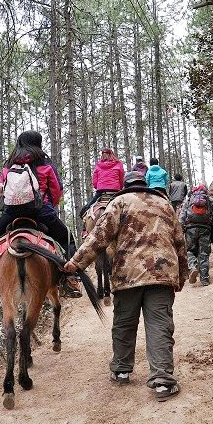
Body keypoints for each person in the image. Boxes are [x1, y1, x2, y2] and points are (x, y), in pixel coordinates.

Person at [64, 171, 188, 401]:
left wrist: (75, 263)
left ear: (126, 186)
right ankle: (162, 380)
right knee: (159, 325)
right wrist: (181, 275)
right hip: (161, 274)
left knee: (124, 322)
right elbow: (180, 241)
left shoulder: (119, 202)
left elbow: (97, 237)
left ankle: (121, 369)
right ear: (146, 185)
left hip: (127, 274)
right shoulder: (165, 204)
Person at [0, 130, 70, 289]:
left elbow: (1, 189)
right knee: (66, 239)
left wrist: (6, 207)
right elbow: (56, 190)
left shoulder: (9, 164)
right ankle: (71, 277)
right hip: (41, 210)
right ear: (38, 143)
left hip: (12, 212)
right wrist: (52, 206)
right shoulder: (45, 164)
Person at [179, 183, 213, 286]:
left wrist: (180, 227)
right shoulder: (209, 200)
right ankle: (204, 279)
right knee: (204, 253)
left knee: (190, 250)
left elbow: (182, 215)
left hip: (190, 228)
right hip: (205, 228)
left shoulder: (189, 200)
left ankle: (193, 267)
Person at [79, 148, 124, 217]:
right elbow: (121, 179)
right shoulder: (119, 164)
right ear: (111, 154)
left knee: (88, 208)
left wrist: (99, 187)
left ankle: (83, 220)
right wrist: (120, 188)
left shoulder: (98, 165)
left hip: (101, 191)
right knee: (125, 208)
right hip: (115, 190)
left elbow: (94, 182)